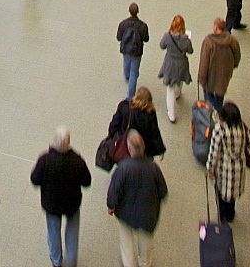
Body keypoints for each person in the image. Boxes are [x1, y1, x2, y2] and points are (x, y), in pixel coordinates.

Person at [30, 126, 92, 267]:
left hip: (51, 204)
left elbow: (35, 179)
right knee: (72, 233)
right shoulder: (77, 161)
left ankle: (56, 261)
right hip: (72, 204)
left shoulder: (45, 160)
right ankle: (71, 262)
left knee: (53, 232)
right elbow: (87, 182)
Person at [106, 130, 168, 267]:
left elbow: (114, 191)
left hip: (125, 214)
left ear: (129, 149)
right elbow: (163, 192)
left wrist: (111, 206)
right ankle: (144, 263)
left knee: (126, 244)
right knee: (146, 247)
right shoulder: (154, 169)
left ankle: (128, 263)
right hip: (148, 215)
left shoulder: (123, 168)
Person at [206, 102, 250, 223]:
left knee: (221, 193)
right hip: (238, 168)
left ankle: (223, 217)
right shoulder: (243, 127)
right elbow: (249, 144)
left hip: (224, 168)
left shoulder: (220, 129)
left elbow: (214, 152)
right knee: (232, 194)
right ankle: (230, 214)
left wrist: (210, 169)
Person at [107, 87, 166, 160]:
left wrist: (110, 135)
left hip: (125, 143)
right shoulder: (150, 113)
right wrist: (161, 150)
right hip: (143, 147)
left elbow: (115, 123)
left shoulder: (124, 106)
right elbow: (155, 132)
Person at [197, 18, 241, 110]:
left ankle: (210, 118)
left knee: (209, 101)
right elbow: (237, 58)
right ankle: (219, 115)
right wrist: (231, 67)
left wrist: (201, 78)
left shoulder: (209, 42)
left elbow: (204, 63)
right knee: (219, 98)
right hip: (224, 77)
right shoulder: (232, 41)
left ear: (216, 28)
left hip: (210, 78)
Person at [158, 15, 193, 122]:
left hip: (170, 63)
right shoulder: (186, 39)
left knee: (170, 88)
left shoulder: (167, 36)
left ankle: (172, 114)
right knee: (180, 79)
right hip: (181, 63)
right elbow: (190, 50)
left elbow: (162, 45)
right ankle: (178, 93)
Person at [117, 3, 149, 100]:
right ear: (137, 12)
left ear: (129, 11)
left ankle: (126, 75)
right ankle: (130, 96)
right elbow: (146, 39)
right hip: (137, 52)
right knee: (134, 72)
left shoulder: (123, 24)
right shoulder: (143, 26)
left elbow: (119, 37)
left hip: (126, 50)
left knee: (126, 63)